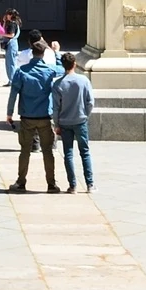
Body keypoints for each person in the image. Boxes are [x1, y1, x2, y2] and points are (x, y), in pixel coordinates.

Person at [6, 34, 64, 193]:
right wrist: (57, 53)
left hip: (27, 116)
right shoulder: (49, 70)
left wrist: (9, 113)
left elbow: (13, 94)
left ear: (31, 52)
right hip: (45, 116)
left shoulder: (21, 72)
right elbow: (63, 68)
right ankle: (51, 184)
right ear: (44, 54)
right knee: (47, 151)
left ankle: (21, 181)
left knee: (25, 151)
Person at [54, 52, 94, 192]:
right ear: (75, 64)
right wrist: (85, 115)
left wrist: (56, 124)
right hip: (80, 120)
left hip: (64, 122)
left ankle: (73, 185)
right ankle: (90, 184)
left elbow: (56, 107)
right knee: (85, 152)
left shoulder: (58, 84)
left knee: (68, 154)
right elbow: (90, 102)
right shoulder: (84, 81)